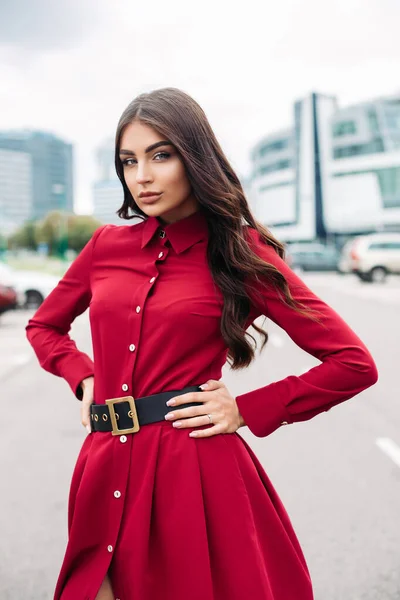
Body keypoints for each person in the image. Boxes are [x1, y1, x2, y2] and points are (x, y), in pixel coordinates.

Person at [26, 87, 378, 600]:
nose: (141, 176)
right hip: (103, 463)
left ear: (195, 157)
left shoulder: (239, 254)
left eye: (160, 155)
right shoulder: (106, 247)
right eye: (129, 161)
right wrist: (82, 374)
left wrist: (249, 408)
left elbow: (353, 363)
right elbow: (43, 327)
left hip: (192, 475)